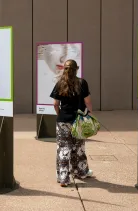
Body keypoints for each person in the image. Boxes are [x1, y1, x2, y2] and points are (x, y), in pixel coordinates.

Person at [49, 59, 93, 187]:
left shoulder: (60, 84)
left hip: (63, 120)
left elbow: (55, 104)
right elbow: (88, 102)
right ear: (77, 69)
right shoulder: (82, 83)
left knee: (63, 149)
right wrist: (89, 114)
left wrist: (60, 114)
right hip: (78, 120)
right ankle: (81, 172)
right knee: (78, 148)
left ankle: (63, 178)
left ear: (64, 69)